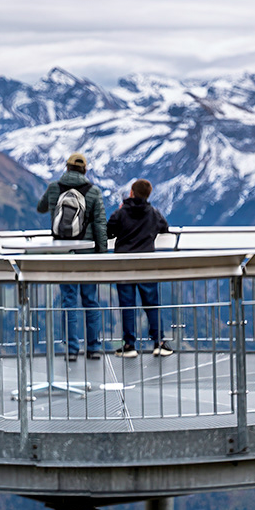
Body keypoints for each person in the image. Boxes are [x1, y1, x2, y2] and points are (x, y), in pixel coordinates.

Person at [39, 154, 108, 359]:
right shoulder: (93, 191)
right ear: (85, 170)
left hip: (63, 253)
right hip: (87, 254)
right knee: (90, 300)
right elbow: (100, 224)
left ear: (67, 168)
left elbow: (40, 208)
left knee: (69, 301)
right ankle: (93, 348)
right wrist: (102, 254)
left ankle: (71, 350)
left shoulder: (54, 188)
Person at [108, 179, 174, 357]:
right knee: (152, 304)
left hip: (124, 264)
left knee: (127, 305)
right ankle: (159, 342)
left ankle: (129, 345)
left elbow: (109, 231)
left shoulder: (121, 213)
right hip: (146, 264)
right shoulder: (153, 213)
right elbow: (164, 227)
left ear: (131, 193)